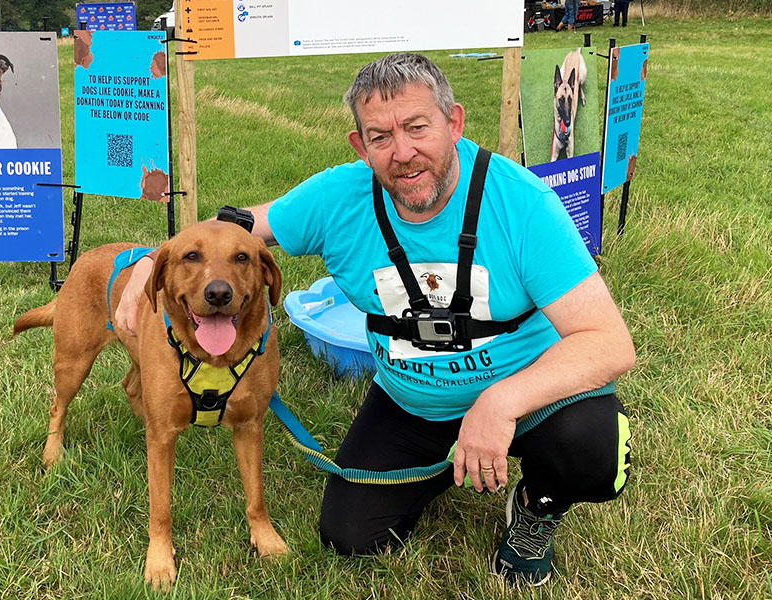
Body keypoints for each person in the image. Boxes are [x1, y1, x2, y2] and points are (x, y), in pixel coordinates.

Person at [115, 53, 635, 587]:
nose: (403, 153)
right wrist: (149, 261)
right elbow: (236, 228)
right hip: (412, 403)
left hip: (526, 398)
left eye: (417, 127)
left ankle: (534, 510)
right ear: (360, 147)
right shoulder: (339, 198)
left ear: (452, 122)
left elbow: (609, 342)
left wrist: (501, 403)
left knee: (591, 446)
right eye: (380, 137)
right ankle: (440, 469)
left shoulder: (522, 204)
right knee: (350, 535)